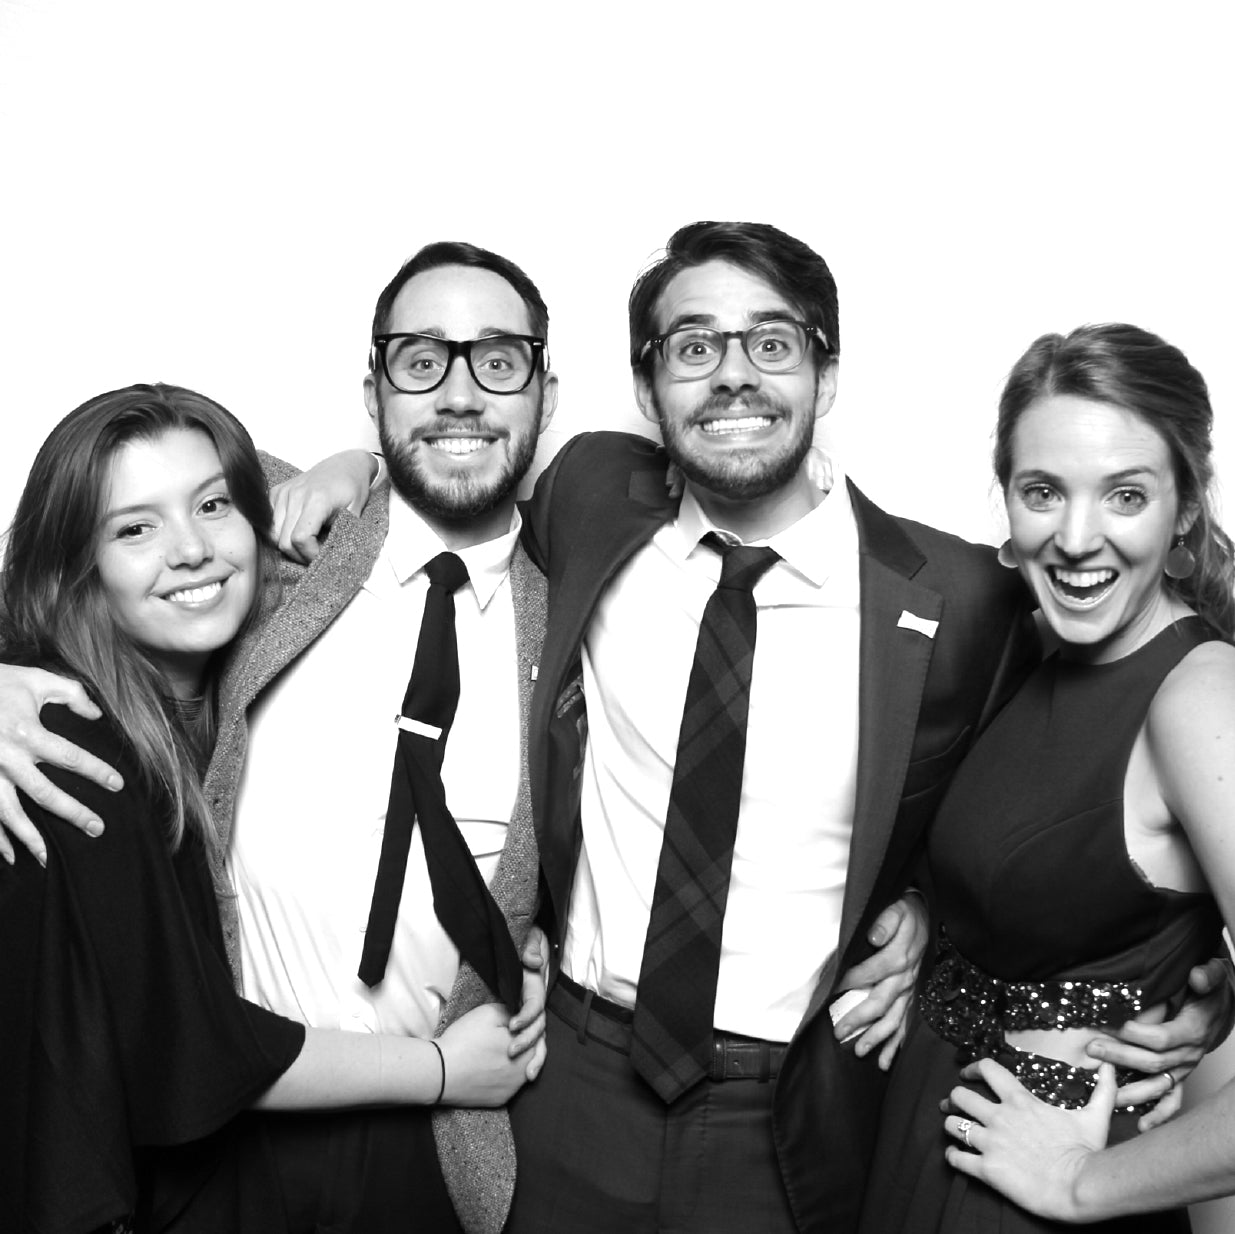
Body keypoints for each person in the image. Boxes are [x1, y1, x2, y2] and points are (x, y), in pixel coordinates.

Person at [503, 224, 1229, 1234]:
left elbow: (1076, 812)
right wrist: (344, 474)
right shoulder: (589, 495)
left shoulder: (964, 599)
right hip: (575, 1079)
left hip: (797, 1108)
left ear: (825, 372)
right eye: (692, 346)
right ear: (645, 386)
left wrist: (1203, 981)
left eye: (771, 342)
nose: (731, 377)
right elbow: (451, 480)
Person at [0, 242, 563, 1234]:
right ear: (374, 387)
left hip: (429, 1148)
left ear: (544, 393)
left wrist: (901, 896)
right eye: (423, 359)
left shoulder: (576, 618)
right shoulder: (297, 553)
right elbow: (67, 544)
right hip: (212, 1148)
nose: (461, 392)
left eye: (499, 360)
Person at [858, 323, 1235, 1233]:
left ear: (1184, 506)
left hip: (1043, 1187)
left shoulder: (1198, 697)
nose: (1074, 538)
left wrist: (1080, 1183)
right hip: (926, 1139)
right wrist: (919, 912)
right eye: (1042, 492)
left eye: (1124, 495)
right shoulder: (1027, 647)